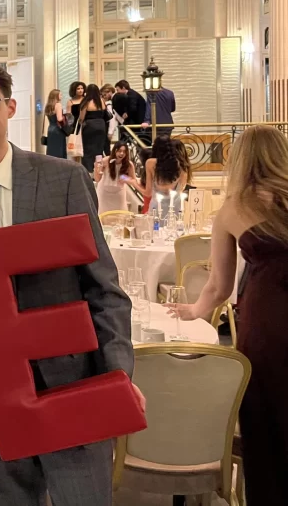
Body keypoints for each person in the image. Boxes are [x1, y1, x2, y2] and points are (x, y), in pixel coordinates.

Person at [0, 58, 140, 506]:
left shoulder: (62, 178)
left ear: (10, 107)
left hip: (72, 380)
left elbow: (104, 286)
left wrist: (117, 373)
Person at [166, 125, 288, 505]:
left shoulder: (234, 208)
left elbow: (218, 287)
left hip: (268, 321)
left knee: (268, 416)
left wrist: (193, 312)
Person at [137, 136, 191, 216]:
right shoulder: (181, 165)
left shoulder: (150, 163)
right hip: (175, 208)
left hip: (156, 208)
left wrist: (133, 182)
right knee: (174, 227)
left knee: (155, 227)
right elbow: (181, 189)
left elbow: (148, 193)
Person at [94, 141, 137, 213]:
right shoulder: (105, 161)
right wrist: (97, 169)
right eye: (119, 151)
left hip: (119, 194)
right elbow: (97, 179)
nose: (122, 154)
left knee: (119, 216)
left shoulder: (129, 164)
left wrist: (125, 178)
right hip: (104, 193)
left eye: (124, 151)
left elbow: (134, 181)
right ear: (115, 151)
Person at [78, 84, 111, 174]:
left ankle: (88, 170)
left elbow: (81, 117)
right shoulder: (101, 101)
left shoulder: (86, 102)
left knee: (88, 149)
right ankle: (98, 169)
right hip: (101, 125)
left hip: (89, 126)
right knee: (98, 149)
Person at [43, 89, 68, 159]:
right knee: (59, 150)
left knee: (52, 150)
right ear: (56, 96)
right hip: (58, 129)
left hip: (50, 129)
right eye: (60, 95)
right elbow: (59, 119)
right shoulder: (58, 105)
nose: (61, 96)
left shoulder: (48, 106)